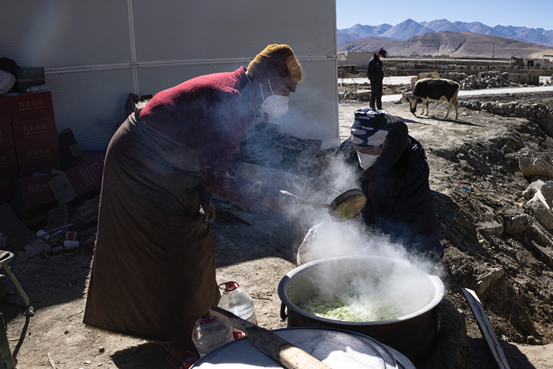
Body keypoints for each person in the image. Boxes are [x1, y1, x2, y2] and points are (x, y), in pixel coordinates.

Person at [83, 44, 303, 356]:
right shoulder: (232, 98)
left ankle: (189, 326)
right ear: (267, 79)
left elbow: (210, 160)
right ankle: (183, 335)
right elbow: (216, 172)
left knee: (189, 238)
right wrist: (267, 197)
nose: (288, 98)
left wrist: (205, 198)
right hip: (139, 161)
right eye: (286, 88)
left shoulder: (240, 98)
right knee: (175, 246)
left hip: (166, 164)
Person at [339, 108, 443, 264]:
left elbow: (411, 215)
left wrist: (379, 246)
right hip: (376, 226)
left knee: (411, 270)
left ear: (385, 143)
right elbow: (341, 184)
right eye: (358, 149)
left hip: (412, 232)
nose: (361, 156)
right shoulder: (350, 148)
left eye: (368, 150)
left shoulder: (410, 163)